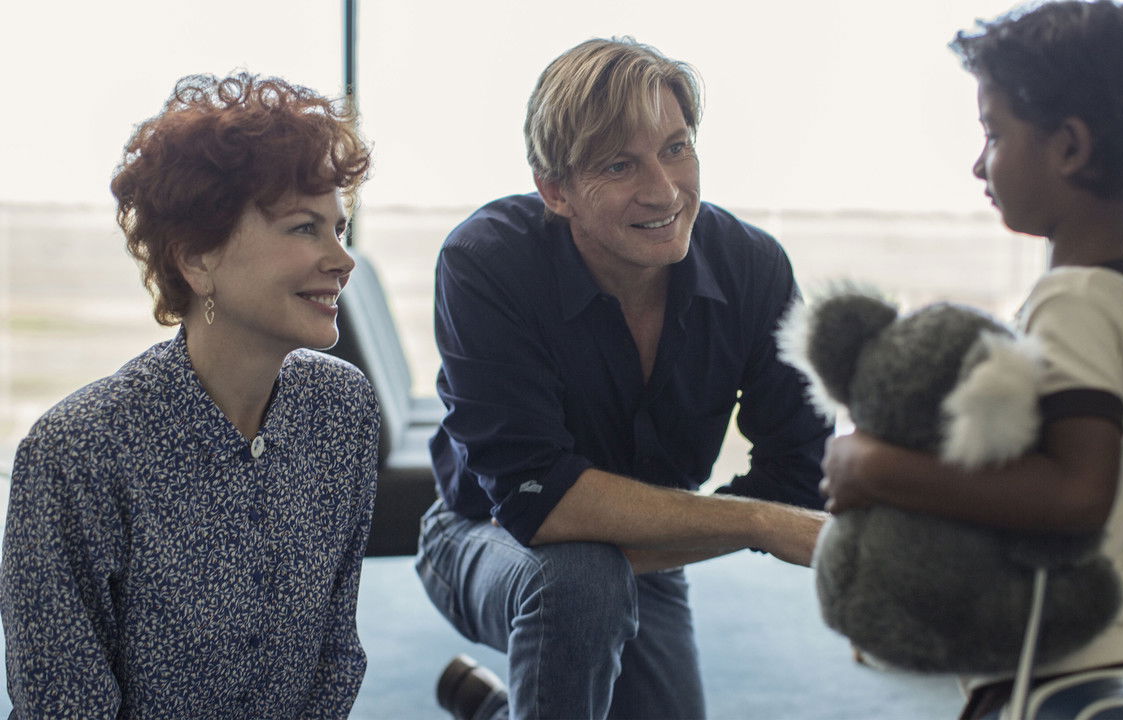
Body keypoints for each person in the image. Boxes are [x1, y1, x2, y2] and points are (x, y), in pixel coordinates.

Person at [419, 37, 832, 720]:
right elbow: (535, 501)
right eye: (619, 164)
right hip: (480, 535)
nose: (664, 190)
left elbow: (799, 474)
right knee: (581, 583)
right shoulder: (487, 260)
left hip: (646, 553)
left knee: (596, 581)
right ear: (556, 190)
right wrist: (759, 522)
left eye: (676, 147)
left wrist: (734, 520)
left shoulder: (753, 268)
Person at [818, 1, 1123, 717]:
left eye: (993, 132)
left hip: (1066, 672)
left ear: (1070, 147)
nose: (978, 162)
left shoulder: (1075, 301)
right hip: (1121, 652)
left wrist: (872, 467)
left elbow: (1076, 494)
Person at [0, 72, 378, 717]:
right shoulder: (79, 452)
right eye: (303, 229)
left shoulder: (341, 408)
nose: (343, 260)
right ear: (197, 259)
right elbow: (64, 703)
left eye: (338, 229)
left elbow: (336, 652)